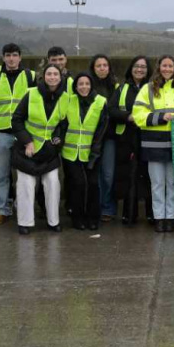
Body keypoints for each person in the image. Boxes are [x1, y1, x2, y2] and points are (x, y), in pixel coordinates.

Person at [133, 55, 174, 232]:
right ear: (158, 67)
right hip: (154, 143)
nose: (167, 69)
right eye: (164, 66)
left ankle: (171, 217)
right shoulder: (148, 89)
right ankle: (159, 217)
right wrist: (161, 117)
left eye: (170, 66)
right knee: (157, 183)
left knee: (173, 182)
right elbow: (138, 114)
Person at [11, 63, 68, 235]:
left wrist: (58, 139)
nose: (52, 77)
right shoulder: (31, 93)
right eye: (49, 74)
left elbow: (63, 123)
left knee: (53, 183)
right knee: (26, 185)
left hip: (49, 151)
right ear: (44, 76)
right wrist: (27, 141)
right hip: (27, 150)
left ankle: (53, 221)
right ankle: (25, 222)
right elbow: (16, 120)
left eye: (55, 74)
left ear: (60, 77)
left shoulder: (65, 97)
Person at [0, 43, 35, 226]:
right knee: (1, 174)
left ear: (20, 57)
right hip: (2, 133)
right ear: (3, 58)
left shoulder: (30, 76)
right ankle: (2, 210)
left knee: (24, 175)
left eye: (15, 55)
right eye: (8, 55)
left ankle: (24, 209)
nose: (12, 59)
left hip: (24, 133)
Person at [109, 56, 154, 226]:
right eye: (136, 66)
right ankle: (129, 214)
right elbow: (111, 110)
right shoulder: (122, 88)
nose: (140, 69)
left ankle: (151, 214)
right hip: (127, 137)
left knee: (149, 175)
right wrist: (127, 117)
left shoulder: (153, 88)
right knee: (129, 176)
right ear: (131, 68)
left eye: (143, 67)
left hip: (149, 136)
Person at [62, 72, 109, 231]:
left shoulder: (101, 102)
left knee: (94, 185)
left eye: (87, 84)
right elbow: (62, 124)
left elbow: (101, 130)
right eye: (80, 84)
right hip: (70, 152)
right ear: (75, 86)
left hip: (92, 152)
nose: (84, 87)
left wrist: (94, 153)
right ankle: (77, 217)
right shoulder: (69, 101)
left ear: (91, 85)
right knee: (78, 184)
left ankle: (93, 218)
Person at [90, 54, 119, 222]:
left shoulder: (116, 87)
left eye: (105, 65)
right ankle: (97, 206)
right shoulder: (88, 85)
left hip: (109, 136)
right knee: (94, 174)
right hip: (91, 137)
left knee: (108, 174)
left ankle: (108, 205)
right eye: (98, 65)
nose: (102, 68)